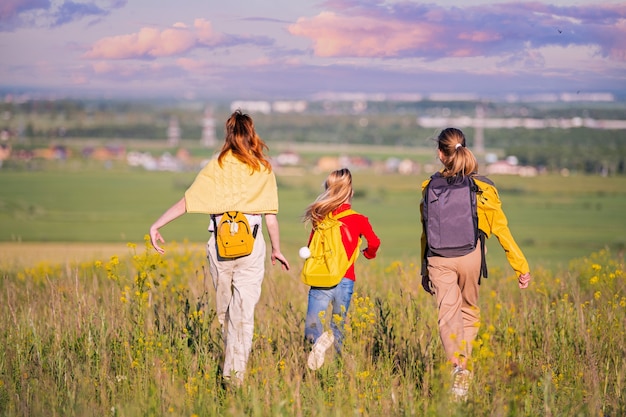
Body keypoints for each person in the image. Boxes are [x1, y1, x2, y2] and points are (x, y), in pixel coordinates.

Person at [149, 109, 290, 386]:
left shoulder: (216, 165)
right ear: (252, 134)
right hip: (252, 245)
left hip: (220, 247)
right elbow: (270, 217)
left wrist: (157, 224)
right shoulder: (263, 168)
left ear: (228, 133)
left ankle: (231, 370)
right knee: (243, 313)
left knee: (224, 312)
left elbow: (188, 201)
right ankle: (234, 374)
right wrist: (276, 249)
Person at [420, 127, 532, 400]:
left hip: (438, 258)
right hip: (471, 255)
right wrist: (521, 266)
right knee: (468, 311)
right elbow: (502, 229)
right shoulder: (484, 188)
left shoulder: (427, 187)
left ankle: (457, 368)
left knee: (448, 314)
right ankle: (463, 369)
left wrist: (424, 268)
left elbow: (425, 231)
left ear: (440, 154)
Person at [302, 168, 380, 370]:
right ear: (351, 192)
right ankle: (339, 367)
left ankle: (316, 346)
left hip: (321, 278)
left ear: (328, 190)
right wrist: (368, 253)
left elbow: (312, 246)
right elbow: (374, 242)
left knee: (312, 326)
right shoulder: (359, 219)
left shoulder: (320, 217)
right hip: (345, 279)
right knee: (338, 326)